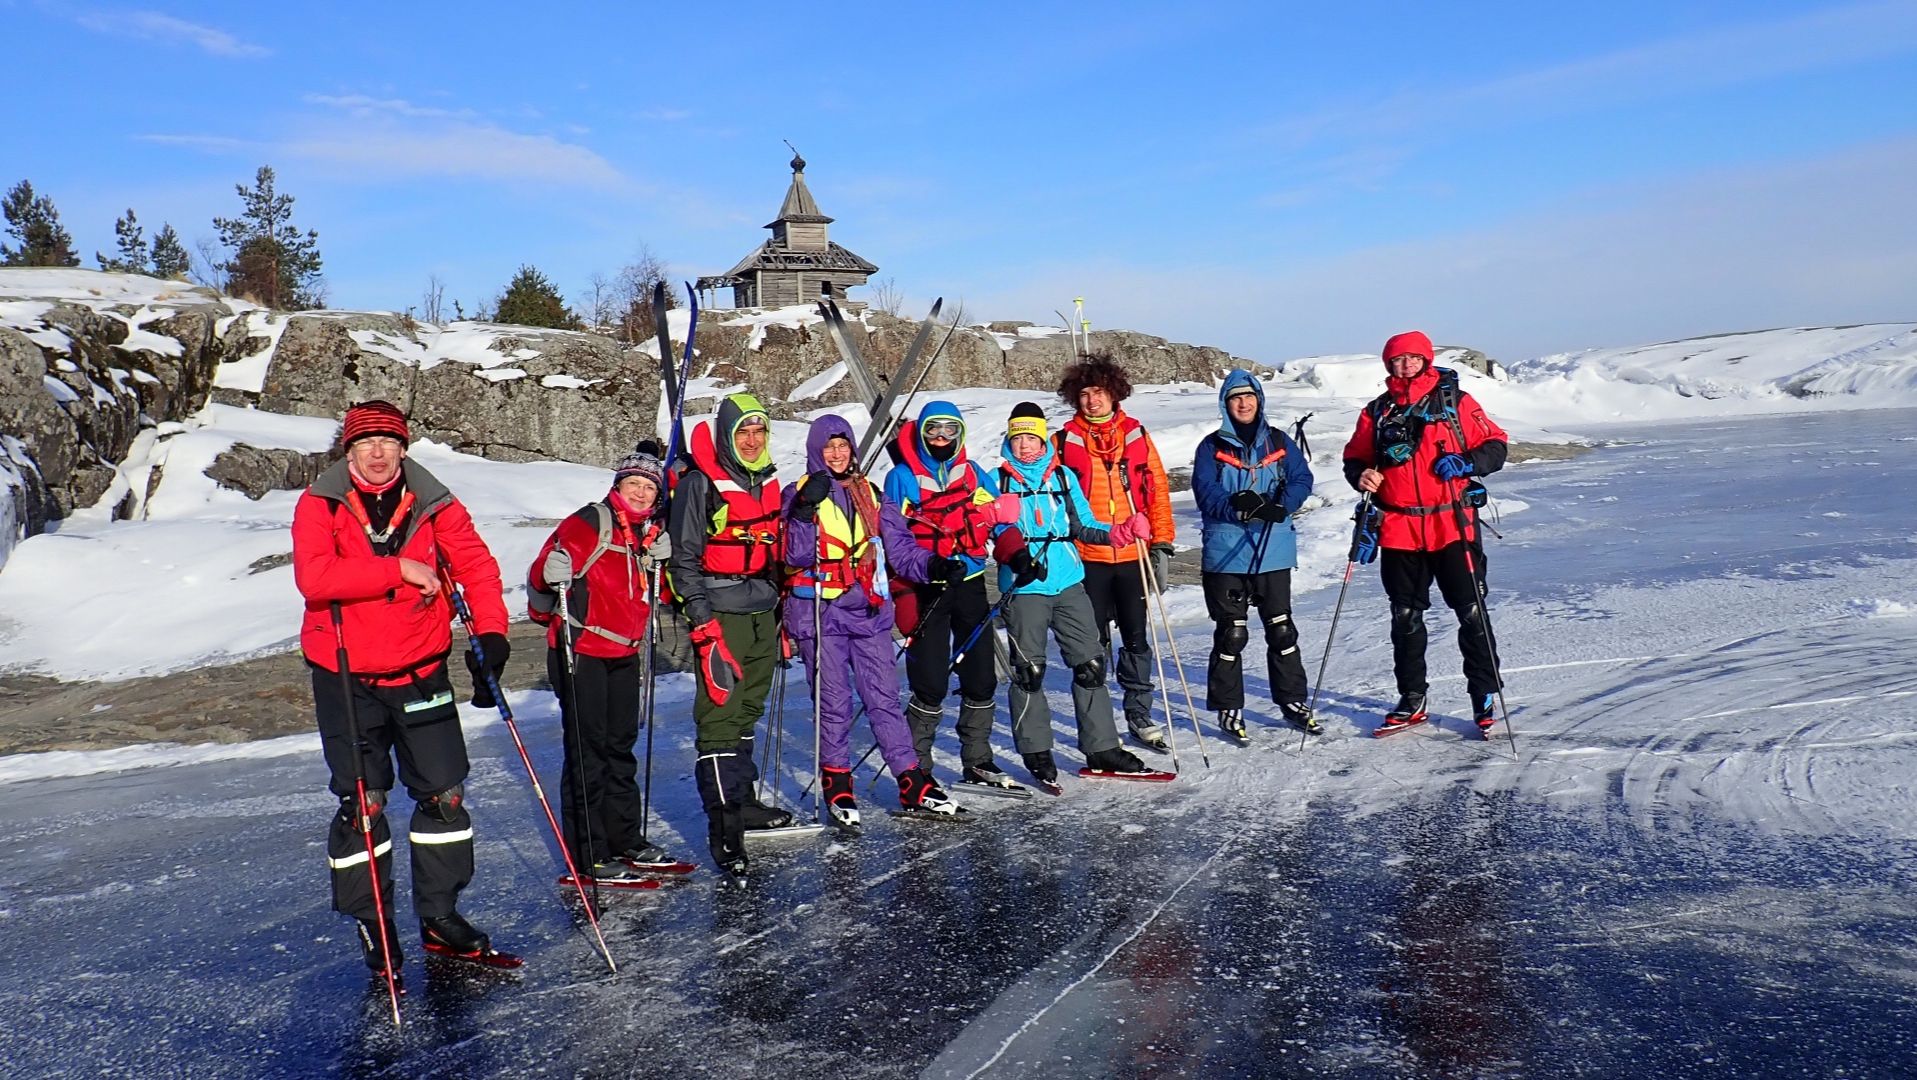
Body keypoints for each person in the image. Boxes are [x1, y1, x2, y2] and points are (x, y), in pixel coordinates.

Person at [291, 399, 512, 979]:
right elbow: (314, 578)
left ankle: (440, 917)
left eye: (389, 440)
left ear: (404, 446)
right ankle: (374, 920)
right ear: (350, 450)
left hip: (422, 668)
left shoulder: (436, 502)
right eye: (366, 443)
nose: (378, 452)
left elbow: (477, 569)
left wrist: (491, 633)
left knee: (444, 796)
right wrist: (399, 570)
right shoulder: (320, 503)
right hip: (347, 675)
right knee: (362, 804)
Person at [784, 415, 961, 828]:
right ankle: (837, 779)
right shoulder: (797, 494)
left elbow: (898, 549)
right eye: (829, 447)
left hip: (867, 609)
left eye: (843, 445)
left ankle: (910, 778)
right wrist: (804, 511)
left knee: (884, 698)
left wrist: (933, 564)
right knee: (834, 703)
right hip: (821, 612)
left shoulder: (872, 493)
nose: (837, 453)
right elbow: (794, 555)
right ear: (816, 450)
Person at [1342, 331, 1509, 735]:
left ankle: (1484, 697)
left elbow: (1497, 444)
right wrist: (1359, 475)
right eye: (1397, 360)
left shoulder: (1455, 403)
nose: (1405, 366)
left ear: (1426, 360)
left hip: (1452, 524)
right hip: (1399, 528)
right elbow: (1356, 458)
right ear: (1388, 365)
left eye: (1412, 359)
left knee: (1471, 613)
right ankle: (1412, 699)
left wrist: (1467, 462)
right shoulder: (1377, 412)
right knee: (1406, 619)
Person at [527, 451, 679, 885]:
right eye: (634, 483)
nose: (641, 491)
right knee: (588, 753)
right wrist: (546, 572)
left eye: (649, 487)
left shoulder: (644, 532)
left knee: (620, 748)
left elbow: (654, 597)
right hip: (582, 652)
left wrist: (658, 565)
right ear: (619, 485)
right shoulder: (591, 521)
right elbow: (544, 576)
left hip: (623, 653)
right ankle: (589, 853)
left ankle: (625, 839)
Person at [993, 402, 1157, 789]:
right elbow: (993, 529)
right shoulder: (996, 481)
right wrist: (1015, 554)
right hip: (1025, 586)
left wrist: (1119, 532)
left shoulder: (1063, 477)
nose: (1026, 447)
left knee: (1091, 665)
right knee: (1029, 671)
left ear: (1043, 439)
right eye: (1019, 440)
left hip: (1068, 582)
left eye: (1032, 438)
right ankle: (1036, 750)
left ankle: (1101, 748)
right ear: (1009, 441)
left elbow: (1084, 525)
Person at [667, 393, 795, 876]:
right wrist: (701, 620)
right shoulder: (702, 484)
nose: (752, 439)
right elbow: (685, 559)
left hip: (765, 610)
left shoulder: (767, 481)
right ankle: (725, 832)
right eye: (743, 431)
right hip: (722, 614)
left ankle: (743, 803)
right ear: (726, 435)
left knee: (746, 711)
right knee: (719, 716)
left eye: (759, 431)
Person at [881, 400, 1022, 793]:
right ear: (922, 433)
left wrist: (1017, 552)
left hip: (971, 584)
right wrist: (933, 564)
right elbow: (895, 540)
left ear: (959, 434)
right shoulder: (902, 478)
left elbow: (997, 519)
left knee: (980, 676)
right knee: (929, 681)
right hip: (927, 587)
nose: (941, 438)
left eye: (949, 431)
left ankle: (977, 759)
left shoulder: (972, 474)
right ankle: (917, 766)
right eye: (933, 431)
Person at [1051, 354, 1179, 752]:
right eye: (1085, 394)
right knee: (1094, 643)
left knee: (1137, 639)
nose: (1092, 401)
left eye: (1099, 392)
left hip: (1132, 556)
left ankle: (1139, 712)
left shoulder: (1136, 434)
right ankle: (1100, 718)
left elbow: (1156, 488)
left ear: (1114, 393)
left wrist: (1161, 542)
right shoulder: (1063, 440)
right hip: (1088, 556)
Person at [1190, 369, 1317, 741]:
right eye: (1235, 398)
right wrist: (1237, 508)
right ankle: (1228, 705)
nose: (1243, 403)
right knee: (1232, 633)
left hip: (1272, 550)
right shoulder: (1210, 446)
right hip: (1226, 552)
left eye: (1249, 397)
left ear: (1259, 400)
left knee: (1281, 628)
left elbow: (1301, 479)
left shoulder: (1278, 441)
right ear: (1225, 404)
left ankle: (1292, 700)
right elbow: (1205, 490)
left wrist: (1283, 505)